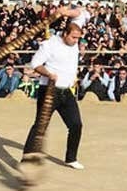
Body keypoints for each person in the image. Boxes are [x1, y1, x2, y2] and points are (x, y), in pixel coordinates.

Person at [22, 23, 84, 170]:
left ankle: (71, 158)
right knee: (40, 126)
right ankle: (26, 160)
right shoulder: (49, 45)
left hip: (66, 91)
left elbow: (77, 13)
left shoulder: (74, 44)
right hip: (49, 90)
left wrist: (65, 11)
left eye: (78, 38)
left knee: (76, 124)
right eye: (74, 37)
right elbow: (35, 64)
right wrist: (48, 74)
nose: (76, 41)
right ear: (65, 34)